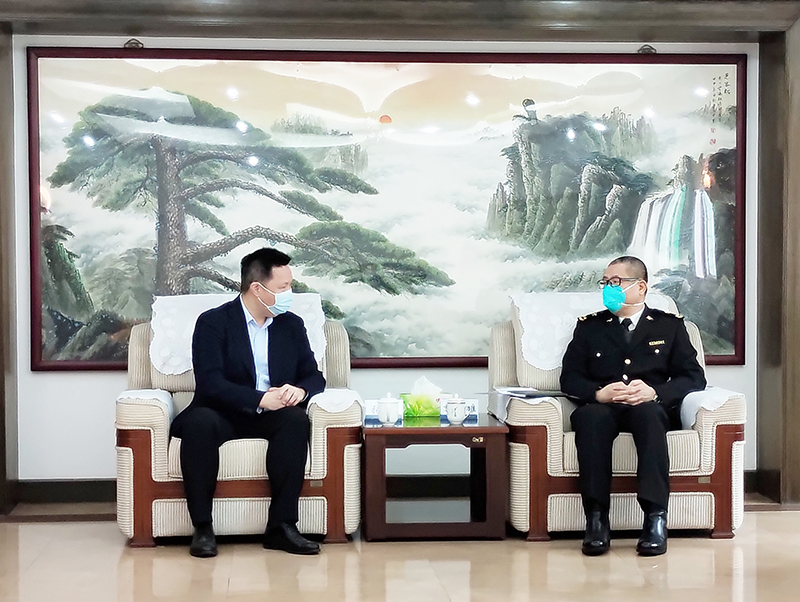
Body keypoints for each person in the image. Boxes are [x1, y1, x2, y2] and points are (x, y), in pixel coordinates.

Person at [170, 247, 325, 558]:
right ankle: (203, 528)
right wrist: (260, 398)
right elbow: (210, 383)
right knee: (199, 423)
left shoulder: (291, 325)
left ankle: (281, 526)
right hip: (222, 411)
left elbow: (314, 376)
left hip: (272, 414)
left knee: (296, 420)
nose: (289, 294)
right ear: (257, 288)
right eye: (283, 287)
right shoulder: (213, 323)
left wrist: (300, 391)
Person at [560, 256, 706, 557]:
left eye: (616, 282)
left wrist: (656, 392)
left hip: (648, 406)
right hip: (605, 407)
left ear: (640, 287)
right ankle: (596, 520)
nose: (608, 288)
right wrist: (598, 394)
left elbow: (693, 377)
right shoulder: (590, 327)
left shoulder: (669, 326)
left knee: (650, 416)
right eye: (605, 282)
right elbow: (570, 378)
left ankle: (655, 518)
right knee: (591, 418)